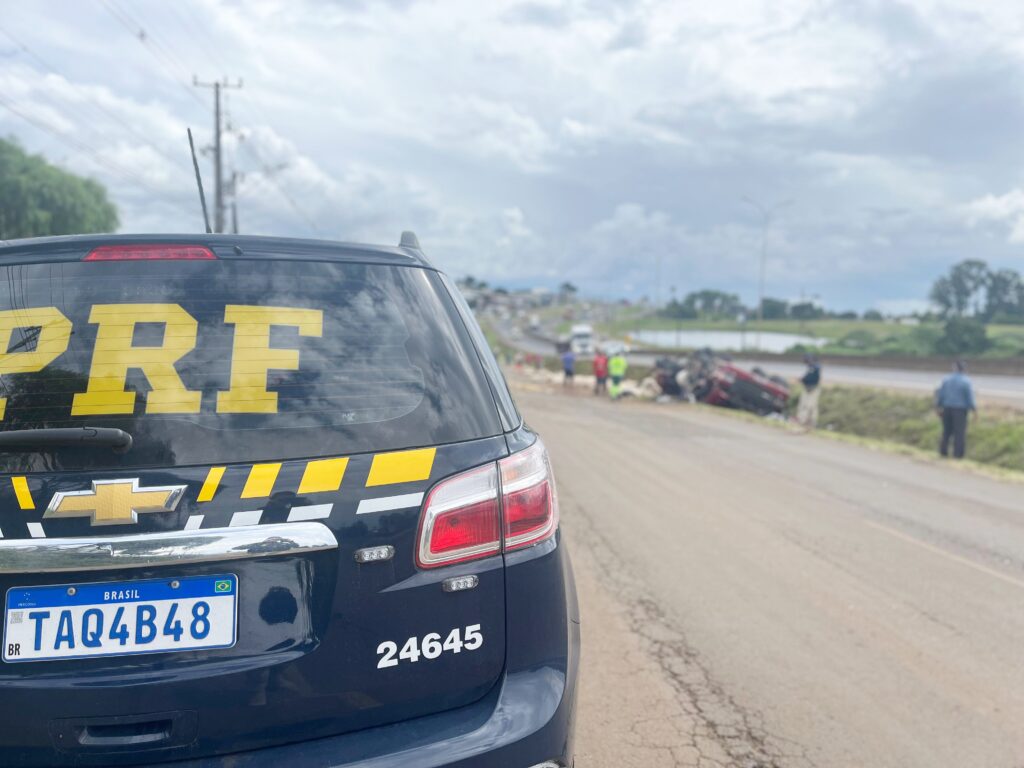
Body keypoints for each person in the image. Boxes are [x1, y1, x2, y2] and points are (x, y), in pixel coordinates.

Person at [935, 360, 976, 459]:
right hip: (960, 410)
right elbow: (969, 398)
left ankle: (943, 452)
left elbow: (940, 394)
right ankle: (957, 455)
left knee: (946, 431)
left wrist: (938, 407)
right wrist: (974, 410)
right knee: (959, 433)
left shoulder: (946, 380)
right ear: (964, 369)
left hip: (947, 408)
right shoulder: (966, 381)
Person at [796, 354, 821, 429]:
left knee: (810, 406)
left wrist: (803, 379)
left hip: (813, 389)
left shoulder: (815, 367)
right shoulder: (811, 367)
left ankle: (809, 422)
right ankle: (804, 421)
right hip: (808, 389)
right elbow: (808, 377)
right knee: (804, 405)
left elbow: (812, 378)